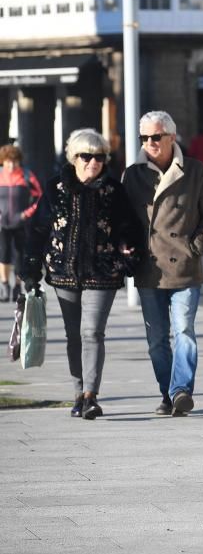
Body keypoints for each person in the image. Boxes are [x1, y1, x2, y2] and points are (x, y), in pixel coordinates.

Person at [20, 129, 140, 419]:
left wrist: (126, 244)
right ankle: (77, 392)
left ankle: (91, 396)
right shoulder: (54, 189)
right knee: (74, 334)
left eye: (99, 157)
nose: (93, 163)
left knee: (92, 332)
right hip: (64, 271)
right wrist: (31, 268)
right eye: (86, 156)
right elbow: (38, 229)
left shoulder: (113, 190)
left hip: (103, 271)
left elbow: (129, 224)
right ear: (73, 158)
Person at [123, 111, 203, 417]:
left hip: (184, 267)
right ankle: (167, 393)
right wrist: (125, 245)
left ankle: (181, 389)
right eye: (144, 138)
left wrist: (197, 246)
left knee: (184, 331)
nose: (150, 143)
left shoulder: (194, 171)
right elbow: (123, 219)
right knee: (156, 340)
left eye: (156, 137)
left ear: (171, 137)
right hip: (148, 268)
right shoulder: (133, 174)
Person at [0, 145, 42, 302]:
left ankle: (17, 287)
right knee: (3, 255)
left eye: (14, 162)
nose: (11, 165)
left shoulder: (26, 176)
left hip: (21, 223)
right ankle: (4, 286)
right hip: (2, 224)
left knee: (19, 256)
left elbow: (39, 197)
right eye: (8, 162)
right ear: (3, 162)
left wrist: (26, 214)